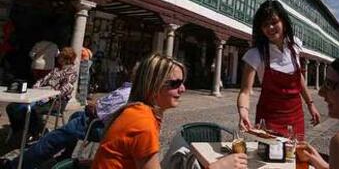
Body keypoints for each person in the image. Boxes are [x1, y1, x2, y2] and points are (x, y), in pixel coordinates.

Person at [92, 53, 248, 169]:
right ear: (153, 85)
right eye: (175, 83)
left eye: (183, 82)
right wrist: (217, 167)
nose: (183, 89)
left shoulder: (137, 112)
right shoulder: (142, 122)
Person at [1, 80, 132, 169]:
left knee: (52, 138)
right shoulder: (129, 89)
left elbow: (99, 111)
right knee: (75, 116)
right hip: (99, 120)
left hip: (98, 123)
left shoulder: (128, 93)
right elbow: (42, 81)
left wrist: (92, 105)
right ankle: (65, 155)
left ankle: (15, 165)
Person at [237, 0, 321, 136]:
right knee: (269, 156)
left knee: (294, 154)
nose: (270, 28)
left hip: (295, 116)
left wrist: (310, 104)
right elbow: (245, 92)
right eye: (265, 25)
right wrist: (243, 112)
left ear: (284, 22)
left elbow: (299, 78)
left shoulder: (295, 47)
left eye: (274, 22)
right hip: (269, 119)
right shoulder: (256, 54)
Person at [6, 47, 77, 140]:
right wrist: (36, 87)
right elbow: (43, 80)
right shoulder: (56, 69)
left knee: (29, 110)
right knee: (11, 107)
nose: (58, 59)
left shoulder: (71, 72)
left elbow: (64, 90)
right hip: (41, 95)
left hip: (56, 101)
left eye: (61, 57)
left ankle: (36, 131)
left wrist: (50, 92)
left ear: (66, 59)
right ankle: (21, 129)